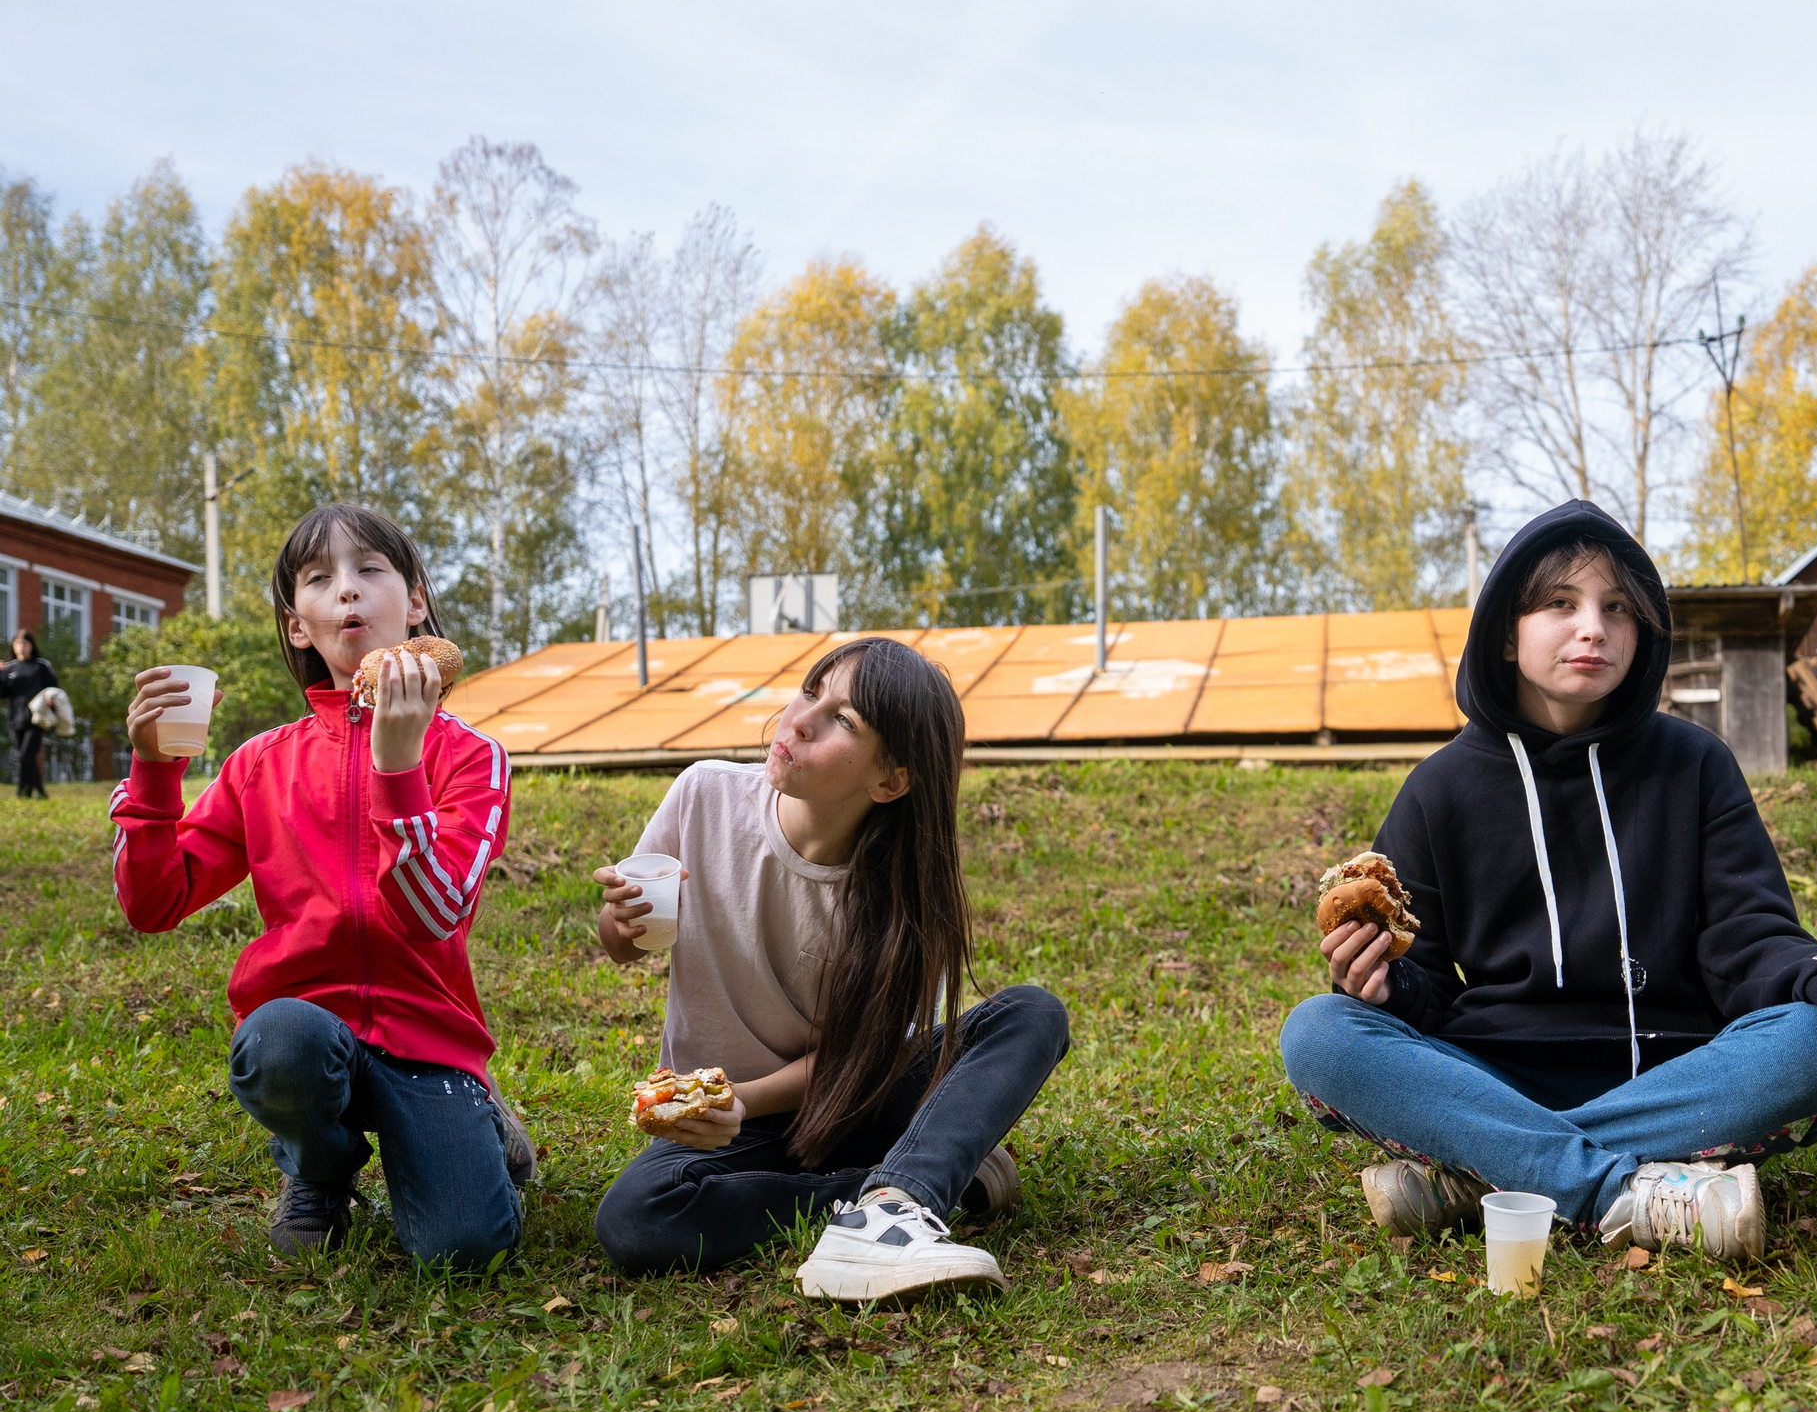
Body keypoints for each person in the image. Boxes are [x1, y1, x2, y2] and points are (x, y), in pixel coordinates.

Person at [1279, 500, 1817, 1259]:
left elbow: (1748, 938)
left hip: (1676, 1072)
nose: (1593, 627)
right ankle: (1623, 1193)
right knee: (1321, 1031)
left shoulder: (1695, 764)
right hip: (1496, 1078)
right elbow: (1423, 987)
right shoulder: (1440, 790)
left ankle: (1489, 1176)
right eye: (1560, 605)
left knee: (1812, 1044)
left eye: (1618, 608)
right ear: (1506, 632)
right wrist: (1382, 986)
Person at [110, 504, 531, 1267]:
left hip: (426, 1039)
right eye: (319, 578)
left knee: (464, 1250)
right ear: (298, 625)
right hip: (307, 1034)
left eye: (371, 570)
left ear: (415, 604)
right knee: (281, 1039)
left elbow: (434, 913)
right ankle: (320, 1168)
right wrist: (154, 769)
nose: (347, 591)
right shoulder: (259, 763)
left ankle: (480, 1123)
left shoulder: (470, 757)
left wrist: (398, 769)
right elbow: (153, 903)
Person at [589, 636, 1070, 1301]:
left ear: (890, 780)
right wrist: (622, 921)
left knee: (1031, 1014)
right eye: (812, 691)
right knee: (636, 1218)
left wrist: (749, 1096)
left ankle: (895, 1208)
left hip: (850, 1099)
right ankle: (905, 1184)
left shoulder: (902, 897)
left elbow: (863, 1064)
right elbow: (623, 944)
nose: (800, 719)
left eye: (844, 720)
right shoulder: (703, 796)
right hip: (727, 1126)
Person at [3, 630, 60, 799]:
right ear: (13, 646)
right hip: (16, 717)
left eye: (25, 644)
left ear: (32, 646)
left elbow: (54, 687)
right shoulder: (9, 667)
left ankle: (25, 792)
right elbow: (4, 692)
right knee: (25, 756)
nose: (21, 647)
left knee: (26, 754)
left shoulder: (41, 665)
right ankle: (32, 792)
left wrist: (50, 698)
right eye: (18, 644)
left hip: (37, 717)